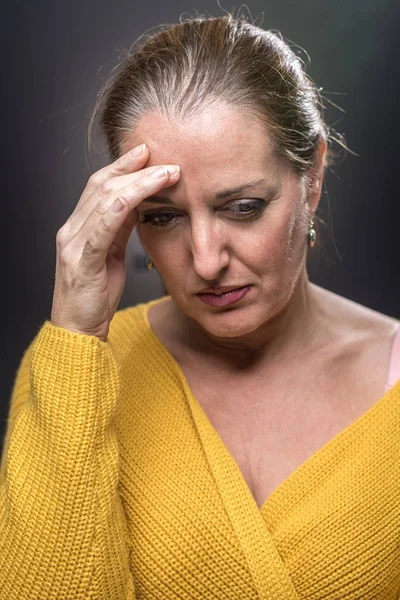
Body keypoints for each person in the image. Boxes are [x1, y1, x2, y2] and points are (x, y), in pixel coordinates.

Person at [1, 12, 399, 600]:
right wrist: (74, 338)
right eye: (162, 217)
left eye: (242, 207)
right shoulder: (71, 369)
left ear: (311, 176)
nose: (206, 260)